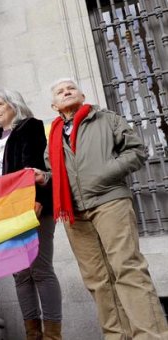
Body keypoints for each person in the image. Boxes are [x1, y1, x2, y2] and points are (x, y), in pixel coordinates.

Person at [34, 79, 168, 339]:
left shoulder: (106, 119)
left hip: (110, 200)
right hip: (75, 211)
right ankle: (116, 335)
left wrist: (102, 175)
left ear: (82, 95)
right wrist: (45, 177)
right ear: (54, 105)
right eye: (60, 91)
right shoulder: (53, 136)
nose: (66, 92)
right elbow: (59, 174)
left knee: (127, 269)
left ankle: (151, 335)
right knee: (97, 280)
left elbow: (136, 151)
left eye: (71, 88)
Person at [0, 90, 62, 340]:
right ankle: (33, 334)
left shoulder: (29, 127)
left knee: (40, 269)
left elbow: (36, 164)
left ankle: (52, 335)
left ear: (14, 104)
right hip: (9, 215)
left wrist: (37, 199)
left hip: (33, 208)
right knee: (20, 273)